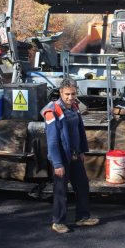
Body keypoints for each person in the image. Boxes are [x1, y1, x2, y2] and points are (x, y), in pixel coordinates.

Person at [42, 78, 99, 233]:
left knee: (82, 186)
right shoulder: (52, 110)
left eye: (73, 93)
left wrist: (81, 151)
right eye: (67, 94)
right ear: (61, 93)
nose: (70, 97)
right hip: (60, 157)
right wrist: (58, 164)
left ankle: (82, 217)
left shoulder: (74, 108)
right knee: (61, 191)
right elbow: (52, 141)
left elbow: (79, 131)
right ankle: (58, 222)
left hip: (74, 155)